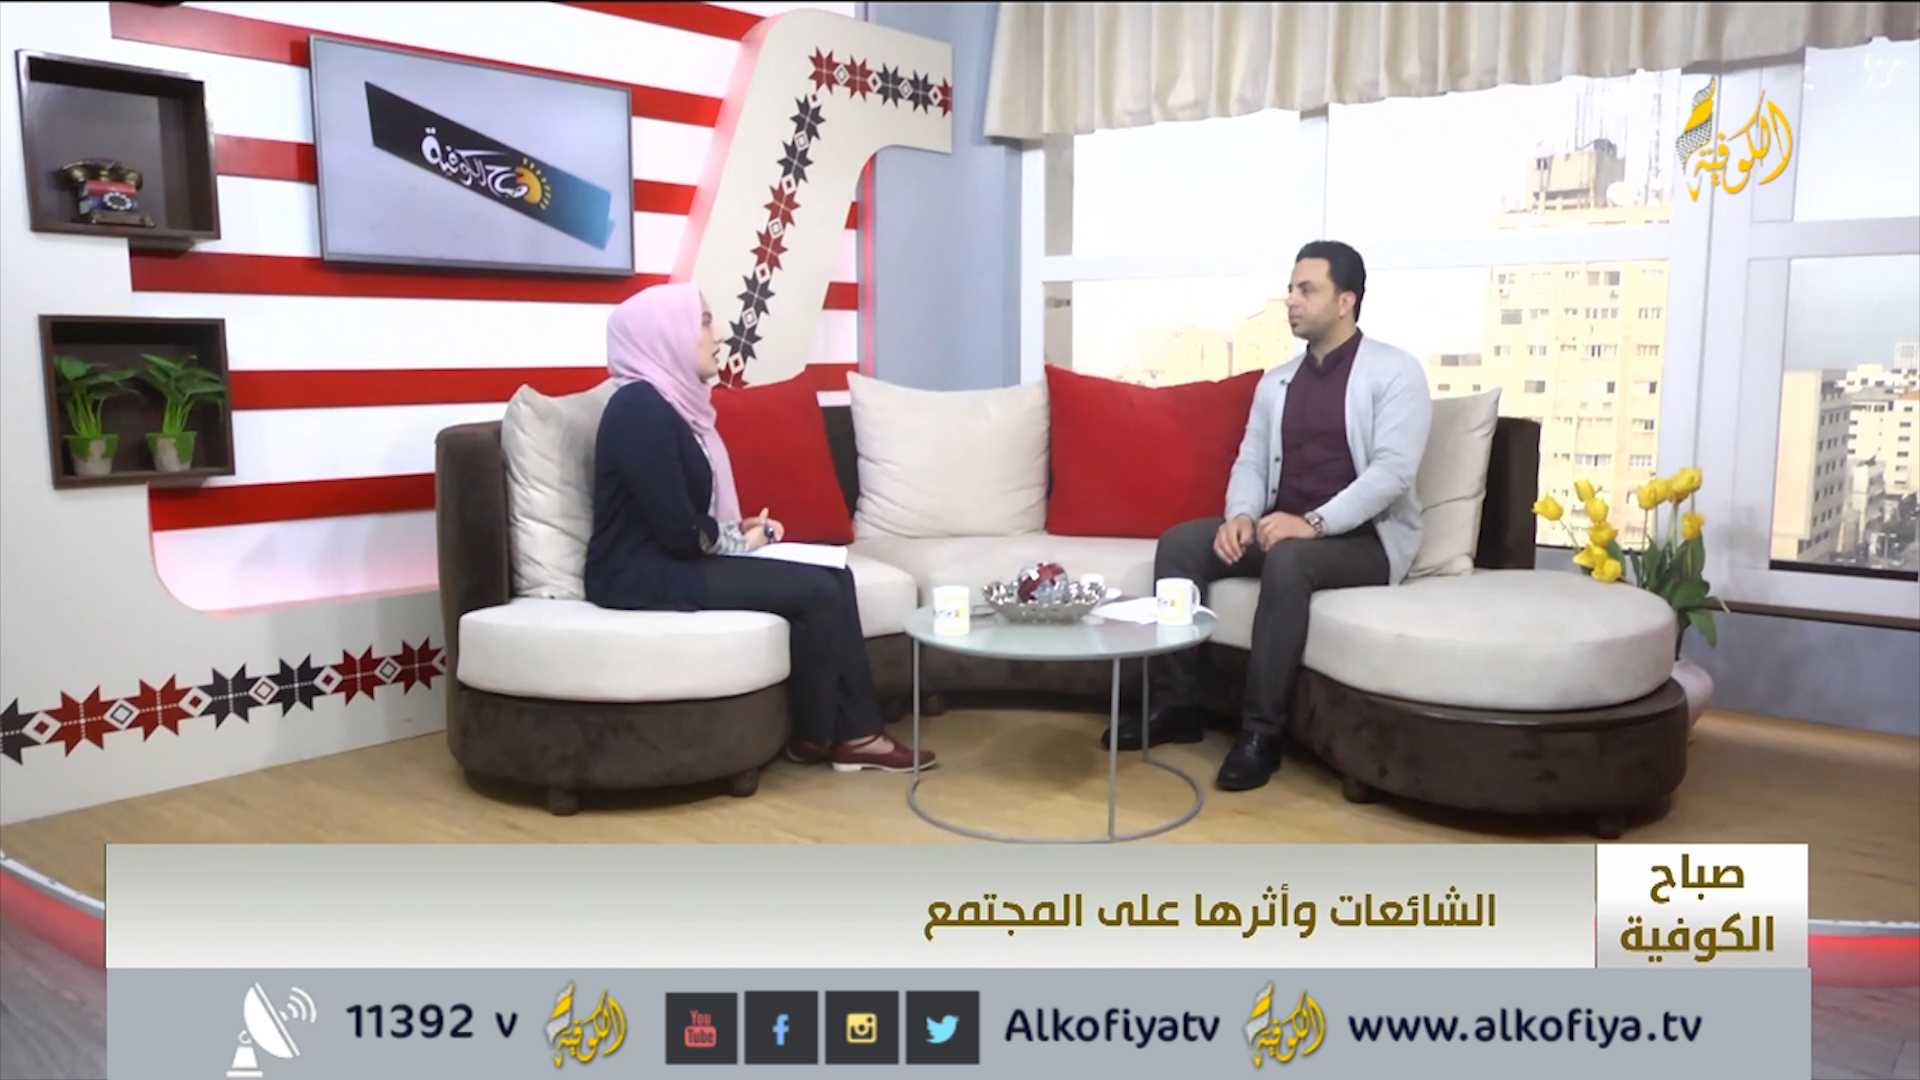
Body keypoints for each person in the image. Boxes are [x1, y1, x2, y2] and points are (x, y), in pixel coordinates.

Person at [1104, 241, 1432, 791]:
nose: (1291, 301)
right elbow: (1252, 458)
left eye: (1307, 290)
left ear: (1346, 301)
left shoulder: (1396, 372)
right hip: (1283, 529)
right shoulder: (1278, 382)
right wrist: (1239, 515)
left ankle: (1261, 734)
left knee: (1289, 562)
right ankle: (1176, 705)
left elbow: (1392, 473)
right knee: (1182, 544)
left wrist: (1314, 523)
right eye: (1291, 289)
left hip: (1363, 542)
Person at [584, 283, 935, 773]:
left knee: (836, 576)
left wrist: (736, 529)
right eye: (704, 321)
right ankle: (821, 736)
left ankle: (852, 734)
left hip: (671, 560)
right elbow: (677, 532)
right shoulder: (639, 410)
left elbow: (682, 515)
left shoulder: (671, 406)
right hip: (638, 575)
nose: (718, 336)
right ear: (665, 336)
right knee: (817, 591)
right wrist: (739, 540)